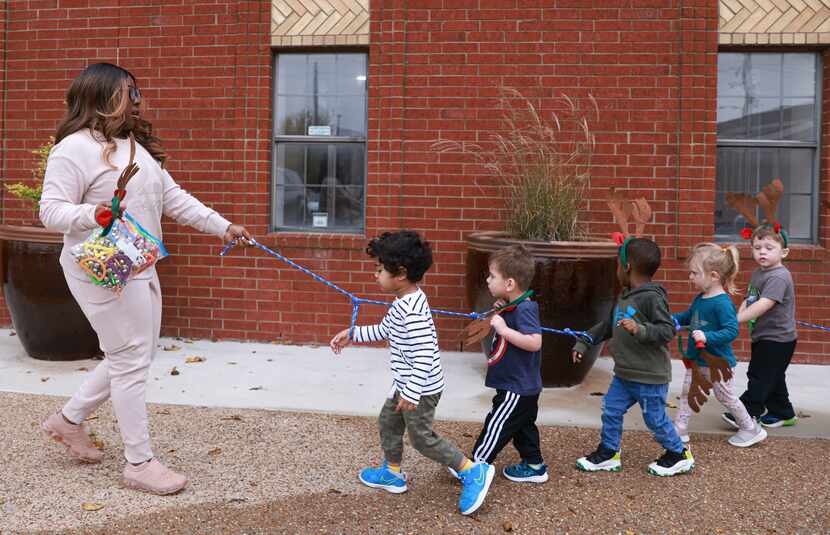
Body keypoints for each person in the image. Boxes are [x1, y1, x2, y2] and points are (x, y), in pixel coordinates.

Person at [39, 63, 251, 495]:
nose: (137, 100)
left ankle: (68, 420)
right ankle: (139, 462)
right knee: (132, 358)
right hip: (100, 267)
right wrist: (91, 213)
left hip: (139, 262)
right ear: (100, 96)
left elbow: (173, 198)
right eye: (128, 92)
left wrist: (223, 226)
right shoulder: (73, 150)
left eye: (136, 92)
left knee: (132, 354)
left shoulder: (132, 145)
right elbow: (50, 211)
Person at [329, 230, 495, 515]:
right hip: (406, 384)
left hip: (421, 387)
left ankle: (472, 471)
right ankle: (392, 472)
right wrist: (353, 333)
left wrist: (412, 391)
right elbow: (385, 329)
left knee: (420, 437)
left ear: (401, 273)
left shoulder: (413, 311)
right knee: (389, 421)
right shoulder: (403, 302)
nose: (375, 275)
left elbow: (425, 355)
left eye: (380, 270)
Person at [572, 237, 693, 477]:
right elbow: (608, 325)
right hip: (625, 374)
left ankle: (678, 454)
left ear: (627, 267)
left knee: (655, 419)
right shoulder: (626, 296)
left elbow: (667, 330)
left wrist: (640, 329)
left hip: (649, 376)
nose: (617, 270)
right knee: (611, 409)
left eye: (618, 264)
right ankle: (609, 452)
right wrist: (584, 341)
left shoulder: (652, 298)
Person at [462, 244, 548, 483]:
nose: (488, 280)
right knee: (523, 427)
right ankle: (534, 465)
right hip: (520, 385)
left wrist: (503, 328)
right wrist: (503, 310)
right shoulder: (515, 305)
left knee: (497, 425)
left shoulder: (526, 309)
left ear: (509, 283)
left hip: (516, 387)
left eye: (492, 276)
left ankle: (475, 466)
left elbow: (534, 342)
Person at [673, 243, 766, 447]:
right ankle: (679, 428)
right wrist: (672, 320)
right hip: (698, 360)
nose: (690, 278)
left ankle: (750, 428)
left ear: (714, 276)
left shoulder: (723, 303)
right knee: (688, 393)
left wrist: (706, 337)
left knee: (725, 397)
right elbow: (689, 316)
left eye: (695, 273)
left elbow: (731, 331)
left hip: (719, 363)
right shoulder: (701, 298)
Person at [724, 224, 798, 429]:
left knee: (760, 375)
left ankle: (748, 410)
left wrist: (737, 320)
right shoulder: (759, 273)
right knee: (773, 376)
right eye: (757, 248)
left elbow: (763, 304)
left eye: (768, 247)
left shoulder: (778, 276)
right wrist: (736, 316)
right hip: (764, 335)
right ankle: (783, 412)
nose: (762, 252)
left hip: (778, 339)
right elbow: (750, 299)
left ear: (784, 252)